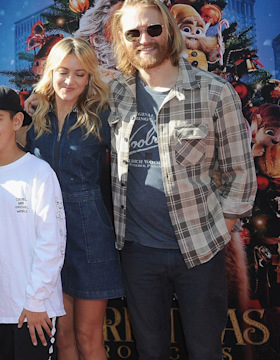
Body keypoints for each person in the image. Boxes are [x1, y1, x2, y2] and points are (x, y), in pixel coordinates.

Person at [108, 0, 256, 358]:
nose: (144, 38)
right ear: (123, 41)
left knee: (205, 350)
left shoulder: (214, 92)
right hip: (138, 253)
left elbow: (241, 173)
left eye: (153, 29)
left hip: (200, 251)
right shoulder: (116, 94)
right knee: (150, 350)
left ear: (169, 32)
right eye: (133, 33)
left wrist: (222, 227)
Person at [23, 37, 124, 360]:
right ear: (50, 71)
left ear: (90, 77)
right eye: (63, 72)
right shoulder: (36, 120)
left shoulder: (101, 117)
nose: (70, 81)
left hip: (90, 233)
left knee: (87, 337)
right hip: (48, 236)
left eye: (80, 74)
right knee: (63, 336)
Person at [0, 85, 66, 360]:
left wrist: (35, 301)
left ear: (17, 121)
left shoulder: (39, 173)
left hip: (34, 311)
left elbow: (52, 243)